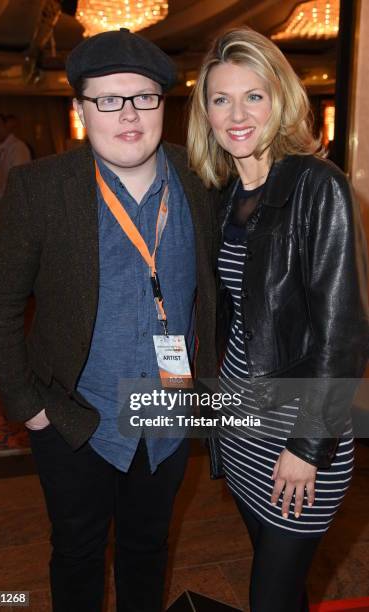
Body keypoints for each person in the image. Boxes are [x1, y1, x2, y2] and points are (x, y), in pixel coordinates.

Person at [0, 29, 218, 612]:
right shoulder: (42, 188)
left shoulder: (202, 181)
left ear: (164, 102)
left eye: (142, 97)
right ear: (81, 110)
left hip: (167, 412)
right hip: (73, 417)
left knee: (148, 546)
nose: (128, 114)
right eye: (108, 99)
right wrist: (29, 408)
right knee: (79, 551)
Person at [187, 27, 369, 612]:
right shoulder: (222, 195)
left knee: (267, 595)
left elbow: (342, 336)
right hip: (239, 426)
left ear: (281, 100)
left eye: (254, 96)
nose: (237, 114)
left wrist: (308, 445)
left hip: (298, 435)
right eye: (221, 99)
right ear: (205, 112)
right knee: (283, 591)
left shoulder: (320, 187)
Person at [0, 112, 31, 198]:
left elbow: (17, 180)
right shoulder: (0, 151)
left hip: (15, 200)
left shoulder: (17, 147)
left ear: (6, 125)